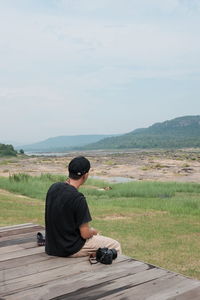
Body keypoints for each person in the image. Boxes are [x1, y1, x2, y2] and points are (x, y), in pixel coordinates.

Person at [45, 156, 121, 258]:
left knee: (98, 240)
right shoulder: (78, 198)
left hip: (52, 247)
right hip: (69, 249)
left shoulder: (53, 188)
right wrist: (93, 231)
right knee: (115, 245)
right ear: (85, 175)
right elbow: (85, 234)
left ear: (69, 171)